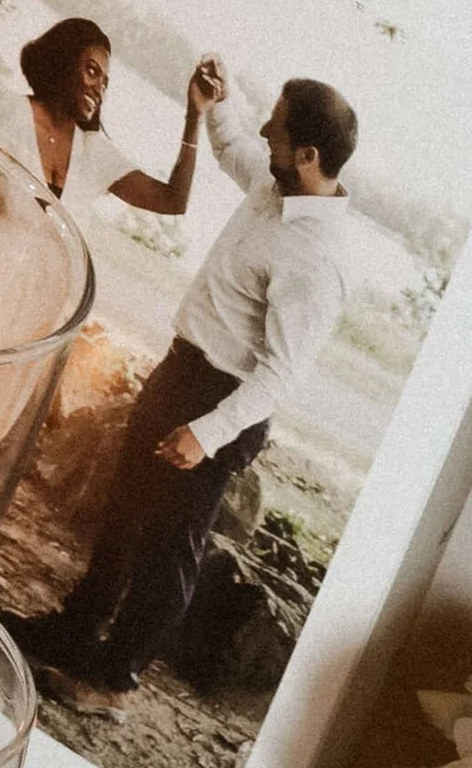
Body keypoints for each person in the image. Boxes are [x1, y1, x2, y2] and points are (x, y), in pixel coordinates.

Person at [19, 67, 356, 709]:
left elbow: (281, 374)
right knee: (124, 512)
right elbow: (234, 147)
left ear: (309, 155)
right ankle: (74, 630)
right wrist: (213, 103)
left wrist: (206, 434)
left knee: (169, 549)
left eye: (277, 127)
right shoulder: (277, 183)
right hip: (181, 370)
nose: (265, 131)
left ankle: (112, 682)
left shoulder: (320, 258)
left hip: (222, 402)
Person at [0, 15, 215, 536]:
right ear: (62, 63)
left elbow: (173, 200)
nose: (98, 86)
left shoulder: (94, 150)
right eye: (91, 70)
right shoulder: (9, 111)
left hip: (36, 307)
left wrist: (194, 117)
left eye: (105, 80)